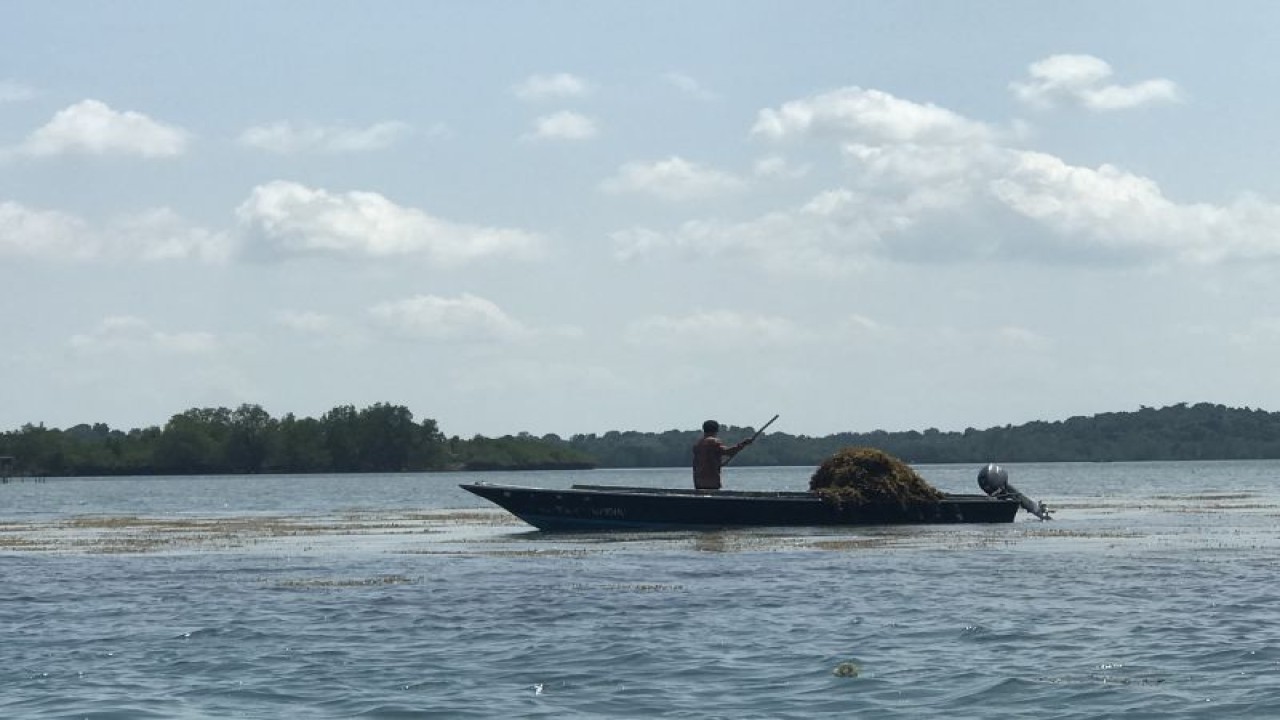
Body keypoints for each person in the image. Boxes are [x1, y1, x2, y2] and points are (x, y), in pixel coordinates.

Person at [691, 419, 753, 490]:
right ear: (716, 430)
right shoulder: (713, 442)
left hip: (698, 482)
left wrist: (720, 463)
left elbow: (701, 462)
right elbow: (729, 452)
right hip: (711, 482)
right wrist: (744, 443)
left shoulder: (697, 445)